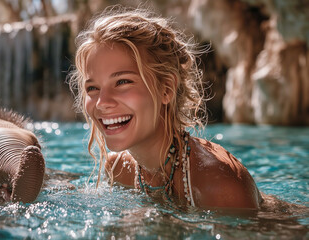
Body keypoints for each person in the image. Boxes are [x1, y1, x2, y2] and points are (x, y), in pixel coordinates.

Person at [68, 7, 262, 211]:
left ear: (166, 89)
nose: (101, 102)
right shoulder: (117, 170)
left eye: (122, 81)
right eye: (92, 88)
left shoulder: (219, 185)